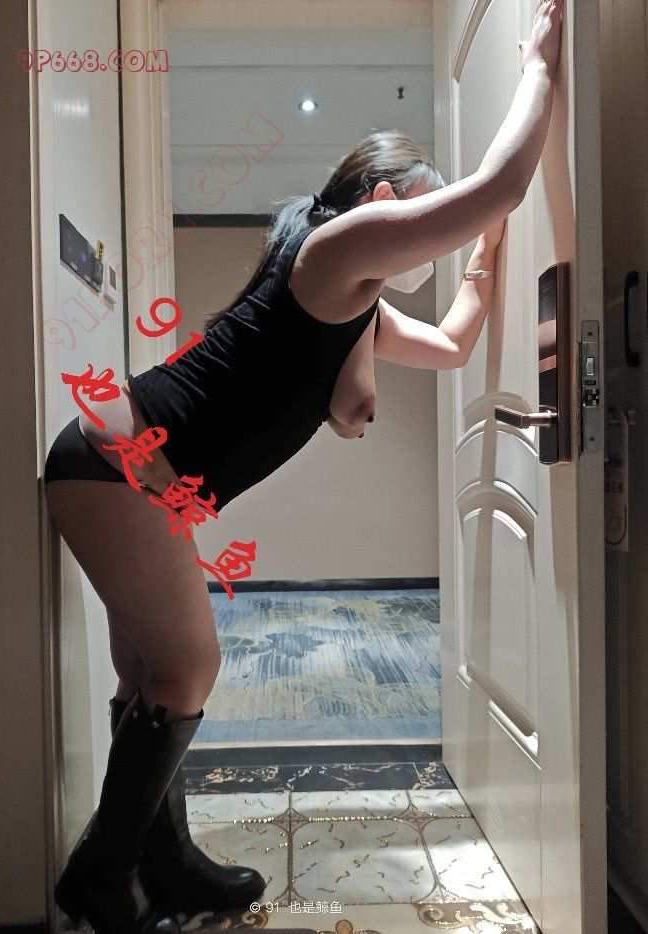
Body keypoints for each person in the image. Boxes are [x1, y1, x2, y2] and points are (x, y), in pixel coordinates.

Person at [43, 2, 563, 932]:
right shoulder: (330, 249)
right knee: (190, 666)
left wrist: (485, 260)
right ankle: (100, 877)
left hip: (130, 470)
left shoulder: (351, 298)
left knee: (152, 673)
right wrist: (539, 69)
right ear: (381, 201)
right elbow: (500, 184)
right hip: (119, 464)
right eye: (423, 207)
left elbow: (450, 344)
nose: (428, 234)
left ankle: (166, 868)